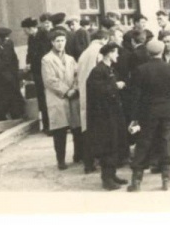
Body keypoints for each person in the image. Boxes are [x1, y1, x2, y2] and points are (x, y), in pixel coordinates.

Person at [126, 39, 170, 192]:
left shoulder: (140, 70)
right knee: (167, 142)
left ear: (148, 52)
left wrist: (134, 117)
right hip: (167, 111)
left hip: (147, 113)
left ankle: (136, 181)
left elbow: (135, 96)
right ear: (163, 50)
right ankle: (166, 179)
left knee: (143, 143)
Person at [85, 42, 129, 190]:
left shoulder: (109, 69)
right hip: (103, 117)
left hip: (112, 114)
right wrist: (116, 86)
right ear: (109, 53)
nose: (117, 56)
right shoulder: (98, 71)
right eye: (116, 53)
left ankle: (112, 174)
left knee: (114, 144)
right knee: (107, 146)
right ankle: (107, 179)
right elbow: (97, 91)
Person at [42, 28, 83, 169]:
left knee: (77, 128)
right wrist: (66, 91)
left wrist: (75, 89)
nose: (60, 44)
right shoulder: (47, 59)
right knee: (59, 131)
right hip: (57, 97)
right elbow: (49, 80)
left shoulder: (71, 59)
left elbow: (78, 75)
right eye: (57, 41)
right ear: (52, 42)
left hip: (73, 96)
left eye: (63, 40)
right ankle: (61, 160)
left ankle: (78, 155)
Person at [77, 30, 109, 173]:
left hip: (84, 94)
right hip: (96, 95)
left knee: (87, 128)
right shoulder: (100, 51)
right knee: (99, 130)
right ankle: (97, 161)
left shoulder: (84, 53)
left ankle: (88, 162)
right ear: (104, 39)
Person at [22, 17, 50, 131]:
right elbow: (30, 53)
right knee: (41, 99)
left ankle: (50, 126)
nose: (24, 32)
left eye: (25, 30)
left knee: (46, 98)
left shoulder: (44, 36)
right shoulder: (31, 37)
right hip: (37, 72)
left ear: (31, 28)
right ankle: (46, 125)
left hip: (45, 71)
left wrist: (32, 65)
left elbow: (44, 55)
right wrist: (28, 63)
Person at [0, 27, 25, 119]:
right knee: (4, 101)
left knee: (14, 100)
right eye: (4, 39)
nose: (6, 40)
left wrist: (16, 74)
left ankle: (16, 116)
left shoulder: (9, 43)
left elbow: (14, 60)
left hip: (12, 78)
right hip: (1, 79)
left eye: (7, 38)